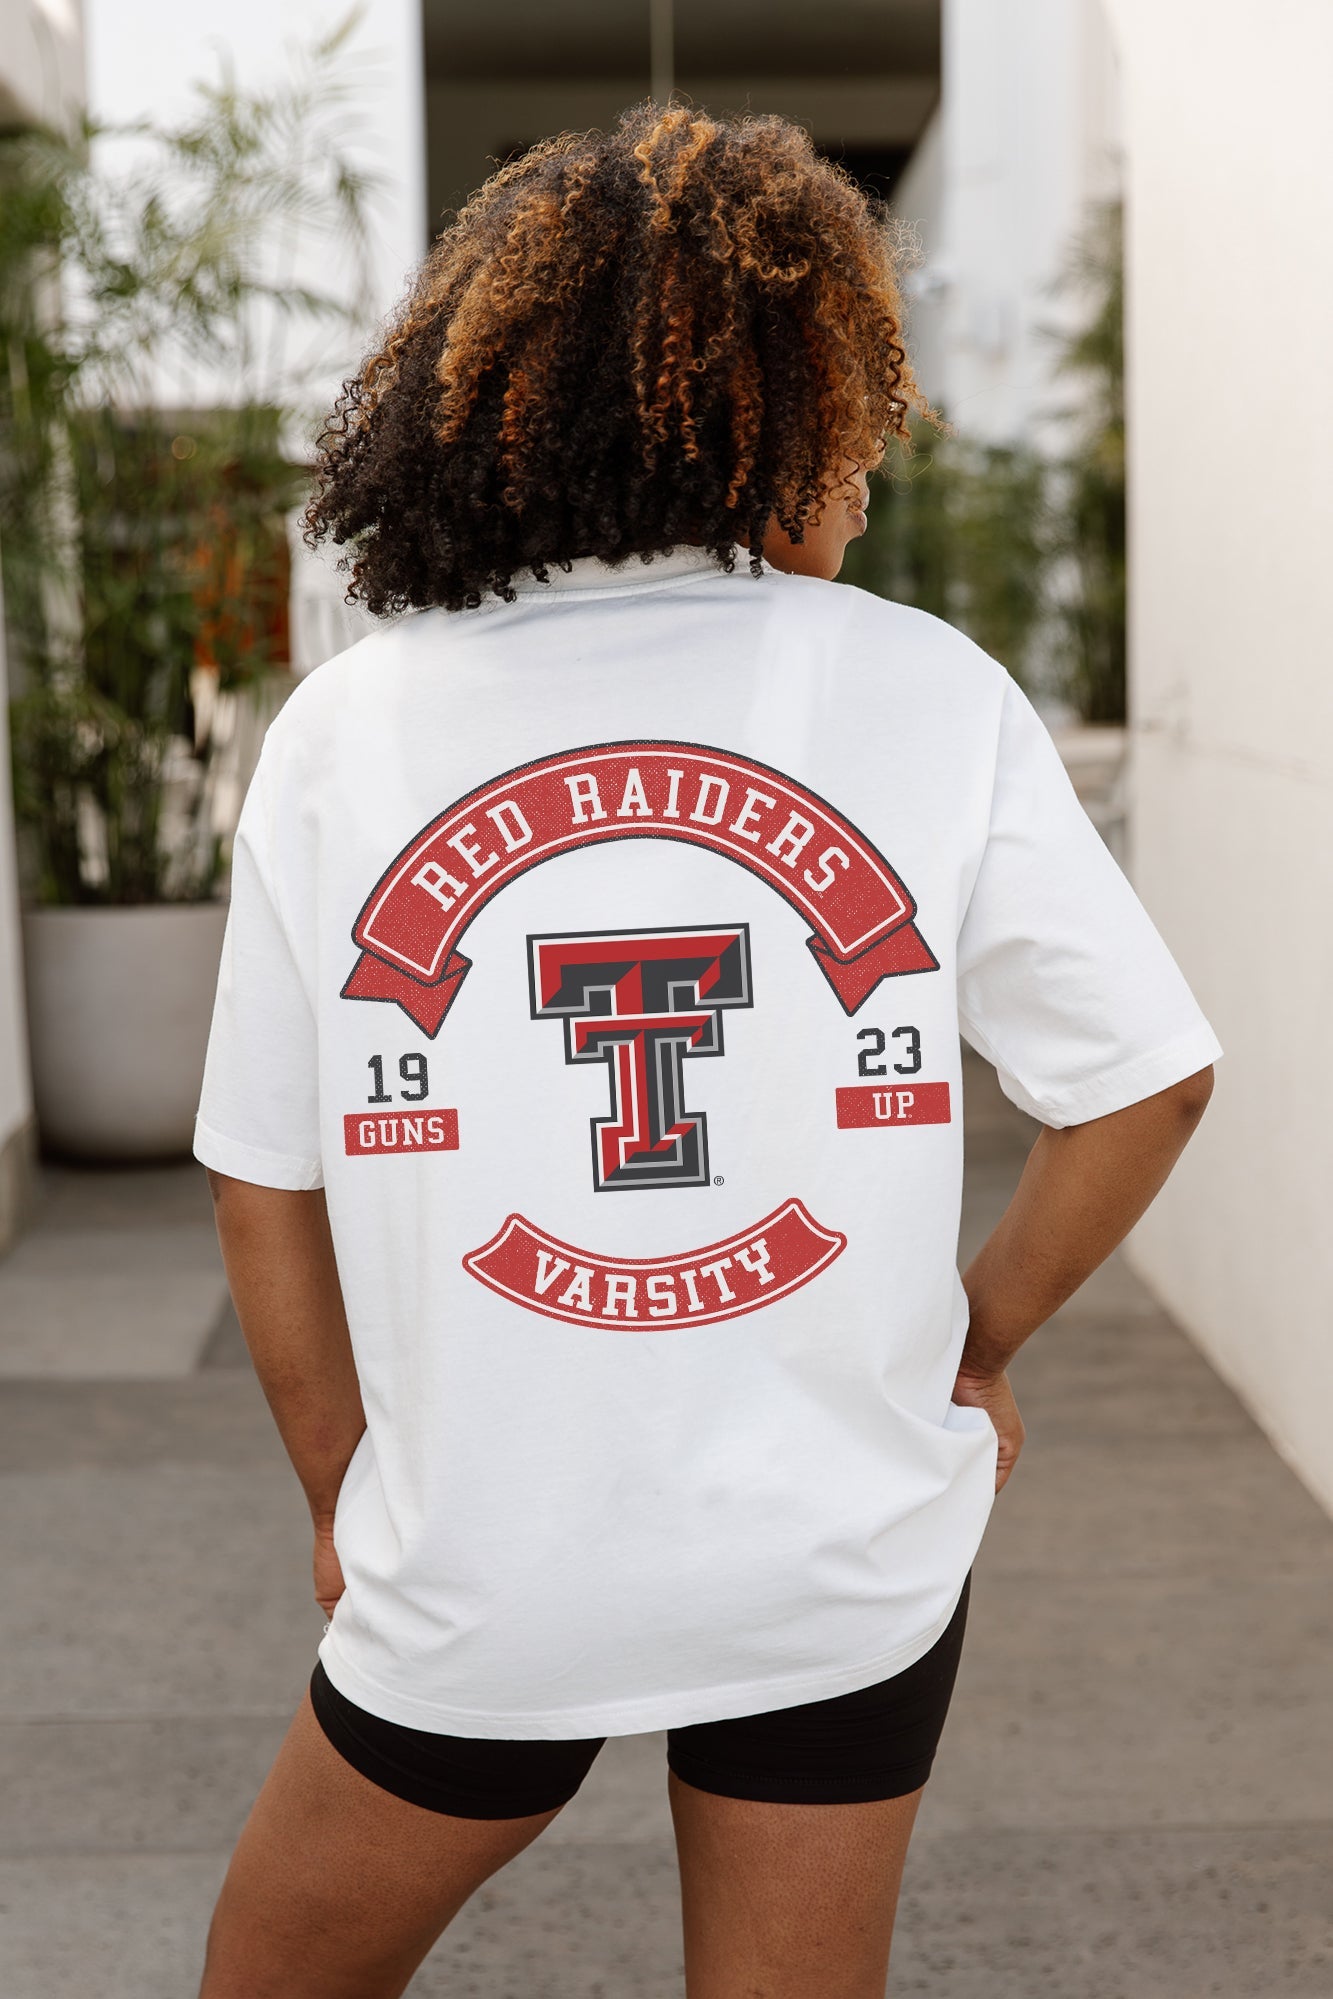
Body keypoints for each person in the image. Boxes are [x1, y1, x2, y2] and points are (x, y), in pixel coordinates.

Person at [192, 103, 1219, 1999]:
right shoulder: (924, 689)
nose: (874, 464)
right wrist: (974, 1344)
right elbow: (1145, 1084)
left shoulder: (352, 731)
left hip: (488, 1563)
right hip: (837, 1558)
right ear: (788, 412)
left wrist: (345, 1489)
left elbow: (268, 1170)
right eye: (858, 414)